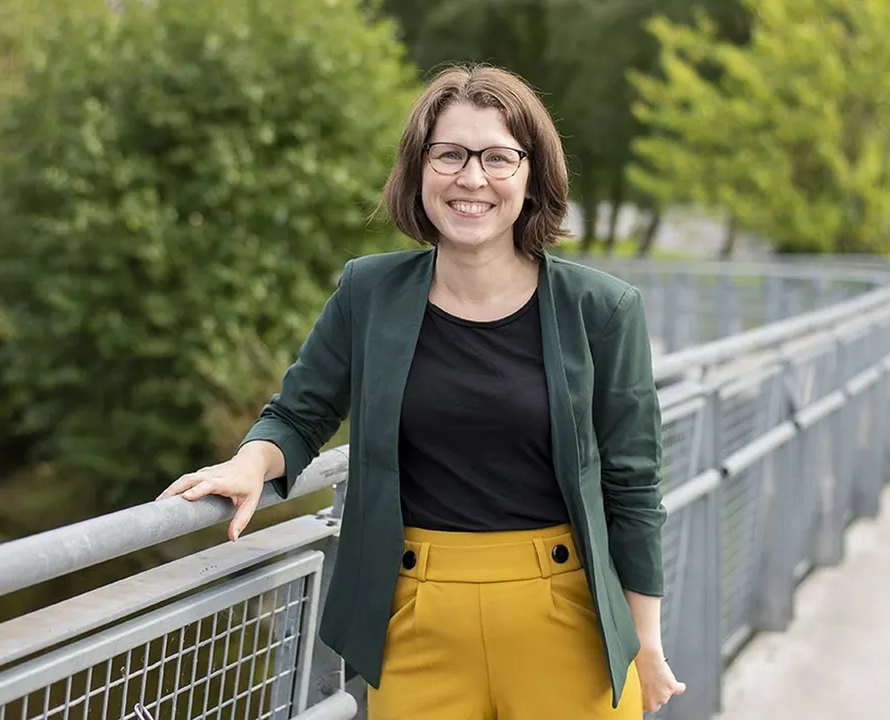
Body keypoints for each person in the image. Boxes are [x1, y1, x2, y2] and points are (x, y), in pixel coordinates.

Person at [158, 64, 686, 718]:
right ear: (420, 169)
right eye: (450, 155)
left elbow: (634, 486)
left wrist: (647, 641)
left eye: (498, 157)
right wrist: (249, 463)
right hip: (413, 615)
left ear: (532, 174)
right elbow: (300, 413)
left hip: (565, 613)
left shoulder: (601, 309)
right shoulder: (369, 293)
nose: (471, 178)